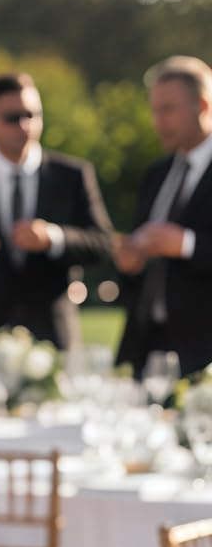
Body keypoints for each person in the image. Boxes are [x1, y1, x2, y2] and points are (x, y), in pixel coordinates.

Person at [0, 73, 113, 351]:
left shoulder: (72, 175)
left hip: (52, 337)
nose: (25, 125)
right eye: (13, 117)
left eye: (33, 115)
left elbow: (103, 243)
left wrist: (54, 238)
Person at [116, 55, 212, 382]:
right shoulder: (156, 174)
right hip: (149, 348)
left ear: (202, 104)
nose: (158, 121)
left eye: (168, 109)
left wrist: (186, 244)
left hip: (205, 351)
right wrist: (130, 262)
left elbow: (184, 246)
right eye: (155, 110)